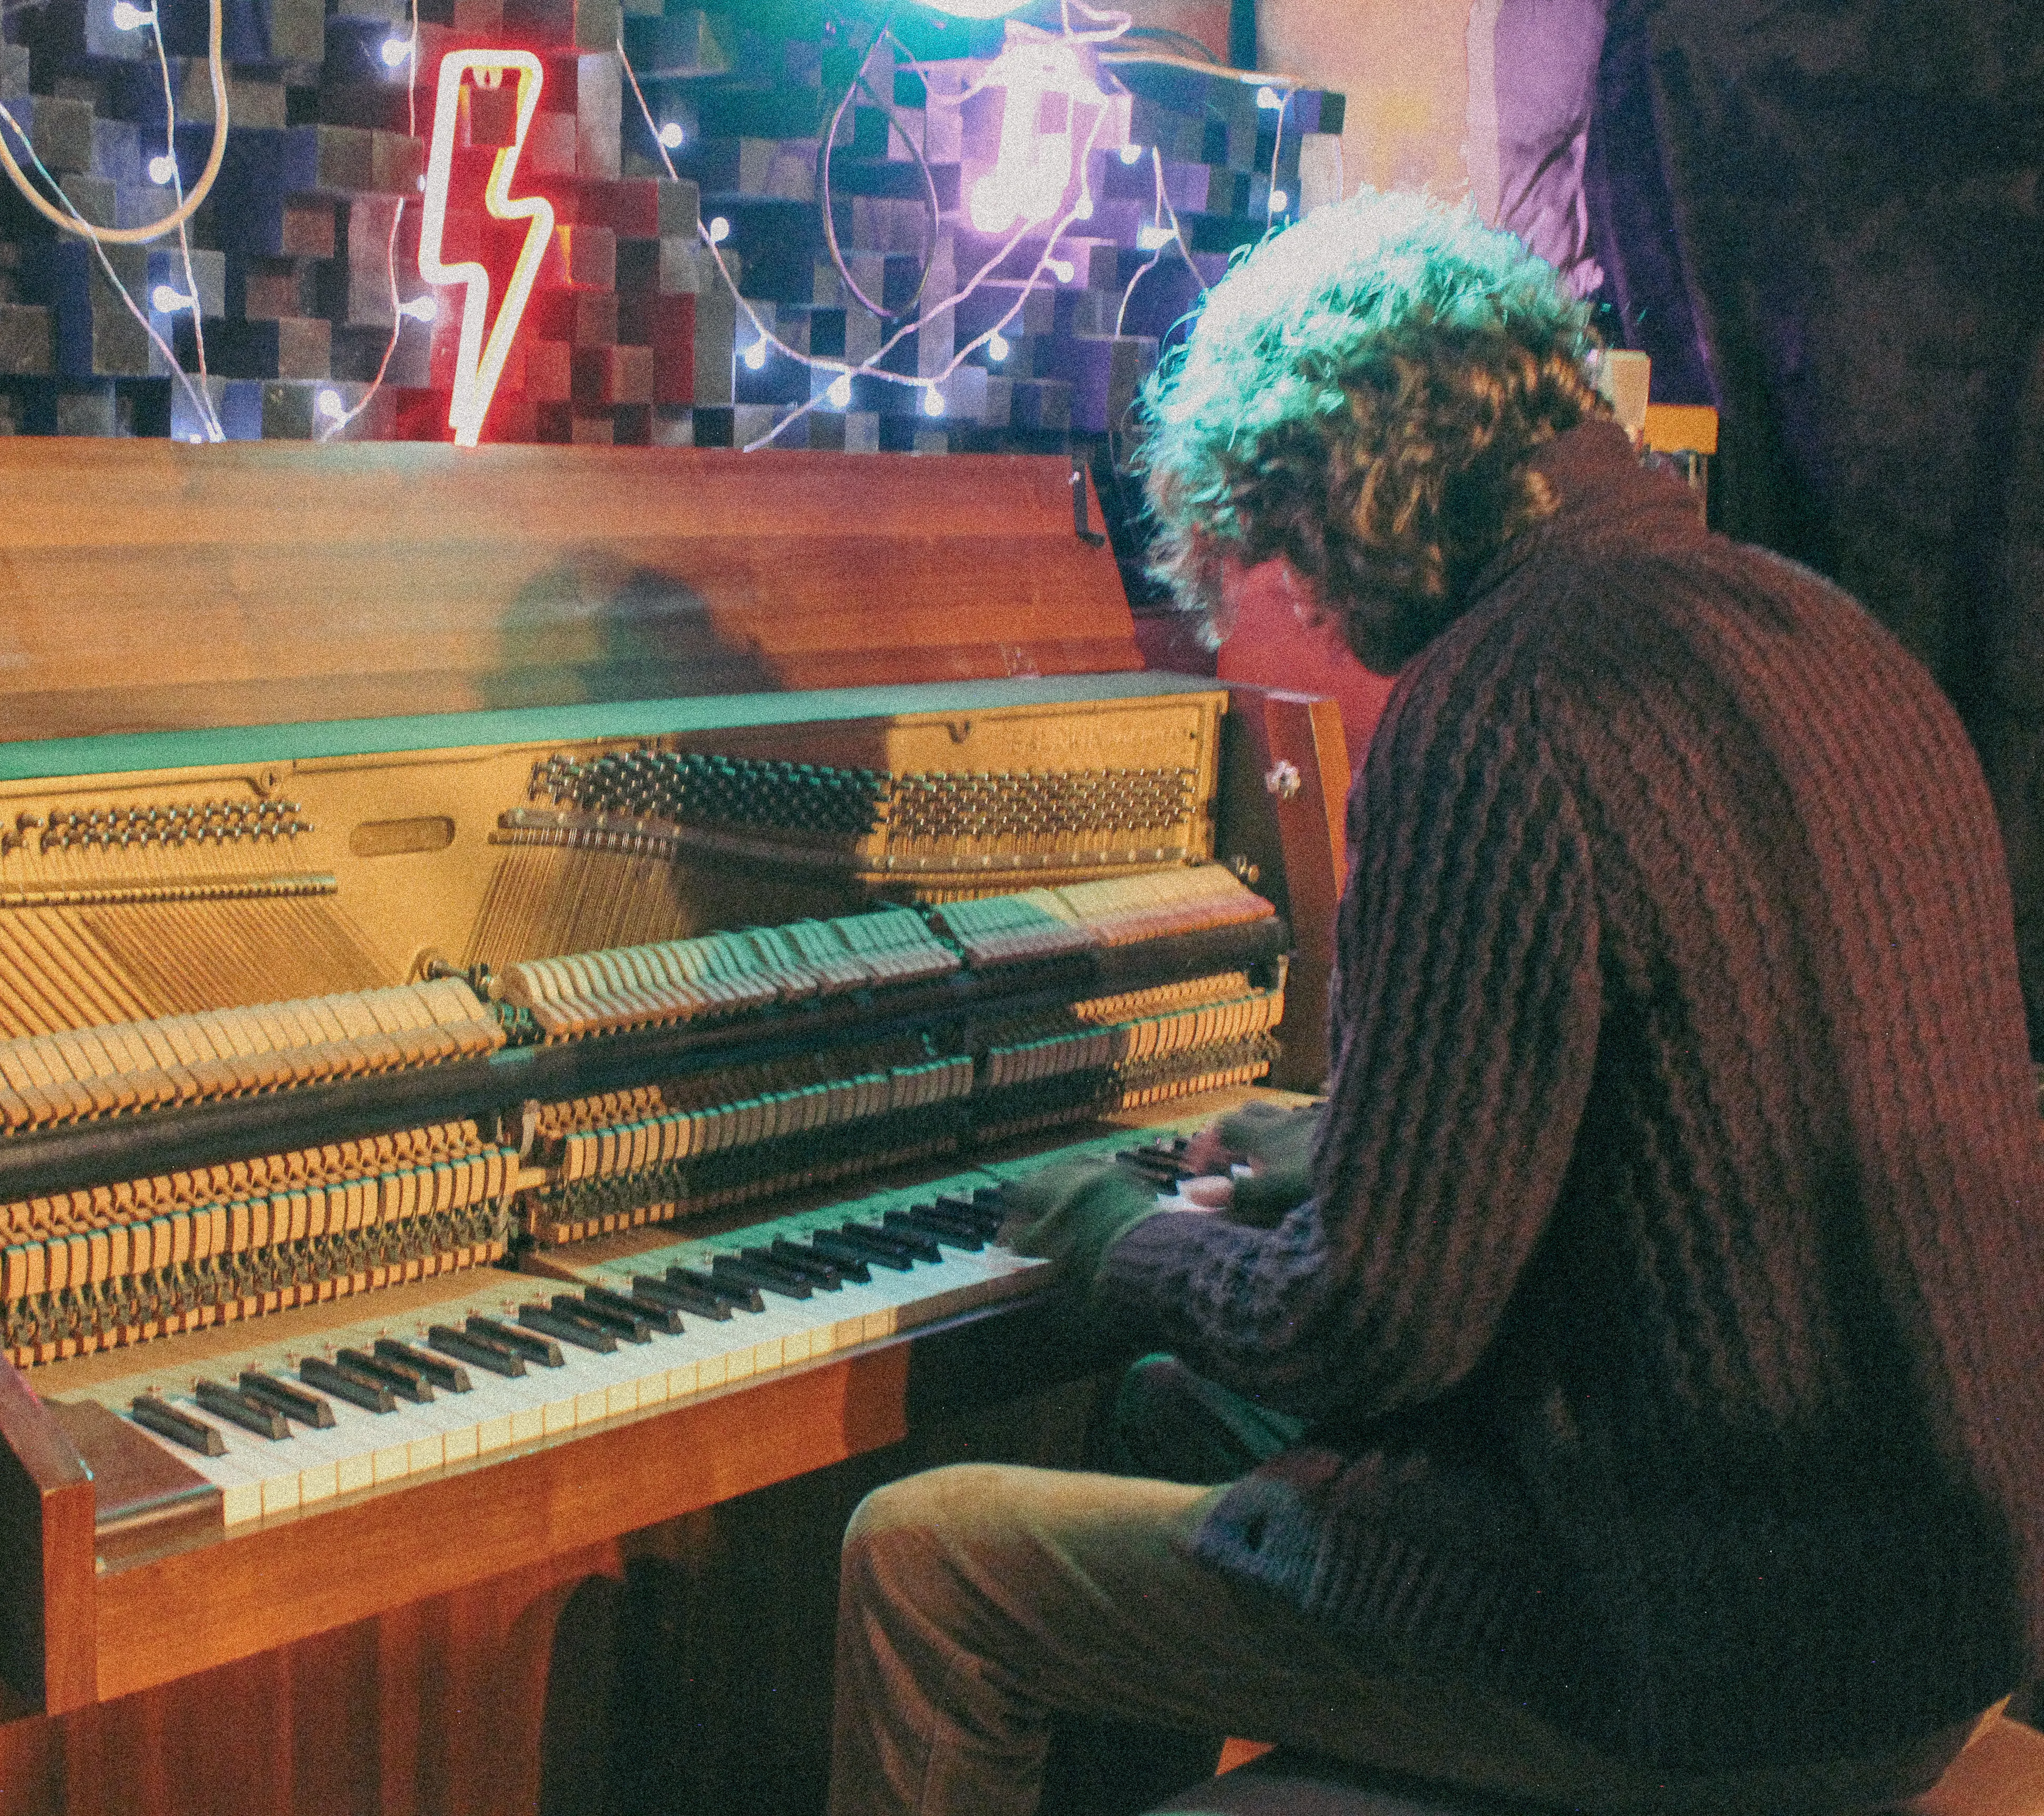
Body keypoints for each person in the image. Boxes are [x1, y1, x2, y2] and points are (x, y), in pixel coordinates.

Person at [825, 192, 2044, 1816]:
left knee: (924, 1559)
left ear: (1311, 508)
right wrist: (1351, 1140)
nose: (1263, 655)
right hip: (1932, 1617)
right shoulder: (1821, 627)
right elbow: (1688, 1128)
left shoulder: (1497, 714)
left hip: (1704, 1674)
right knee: (1165, 1415)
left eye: (1237, 565)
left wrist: (1117, 1229)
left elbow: (1369, 1329)